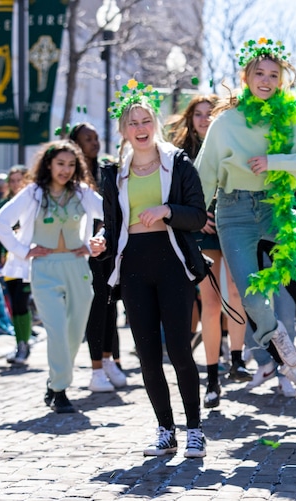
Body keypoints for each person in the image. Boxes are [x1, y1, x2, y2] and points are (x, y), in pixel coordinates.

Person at [196, 38, 296, 397]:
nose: (266, 80)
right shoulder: (225, 124)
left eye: (274, 75)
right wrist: (193, 221)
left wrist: (276, 161)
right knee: (251, 295)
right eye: (259, 74)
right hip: (234, 212)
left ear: (283, 80)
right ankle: (282, 345)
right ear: (246, 77)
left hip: (276, 207)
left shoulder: (291, 121)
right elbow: (203, 176)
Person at [99, 79, 208, 458]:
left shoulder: (178, 163)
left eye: (146, 120)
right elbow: (111, 223)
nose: (140, 128)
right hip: (133, 267)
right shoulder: (113, 172)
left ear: (156, 123)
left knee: (179, 349)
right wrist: (102, 241)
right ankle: (165, 430)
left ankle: (195, 430)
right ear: (123, 130)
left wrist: (167, 211)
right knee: (146, 354)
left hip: (172, 261)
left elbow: (197, 216)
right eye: (132, 123)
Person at [0, 140, 104, 413]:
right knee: (55, 329)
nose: (65, 170)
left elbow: (115, 216)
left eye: (71, 164)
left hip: (77, 267)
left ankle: (54, 382)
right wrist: (22, 250)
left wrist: (96, 242)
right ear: (48, 165)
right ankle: (61, 389)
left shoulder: (83, 193)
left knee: (75, 333)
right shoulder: (33, 193)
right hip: (44, 268)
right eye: (60, 164)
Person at [169, 94, 249, 409]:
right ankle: (212, 378)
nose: (204, 119)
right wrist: (195, 219)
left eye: (210, 113)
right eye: (199, 114)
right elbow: (172, 196)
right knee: (211, 303)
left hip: (235, 226)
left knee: (238, 290)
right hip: (200, 234)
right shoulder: (179, 157)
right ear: (190, 120)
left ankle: (239, 360)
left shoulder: (234, 144)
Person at [69, 122, 126, 393]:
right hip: (82, 252)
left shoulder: (105, 170)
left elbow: (112, 210)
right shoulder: (70, 175)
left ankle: (109, 359)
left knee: (110, 304)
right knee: (94, 308)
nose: (94, 142)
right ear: (75, 144)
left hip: (107, 248)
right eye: (87, 139)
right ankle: (96, 366)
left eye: (95, 137)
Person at [0, 166, 33, 365]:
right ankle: (20, 343)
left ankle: (25, 344)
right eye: (12, 180)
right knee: (14, 304)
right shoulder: (5, 205)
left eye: (19, 180)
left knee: (22, 302)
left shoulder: (33, 202)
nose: (15, 184)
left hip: (29, 262)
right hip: (9, 265)